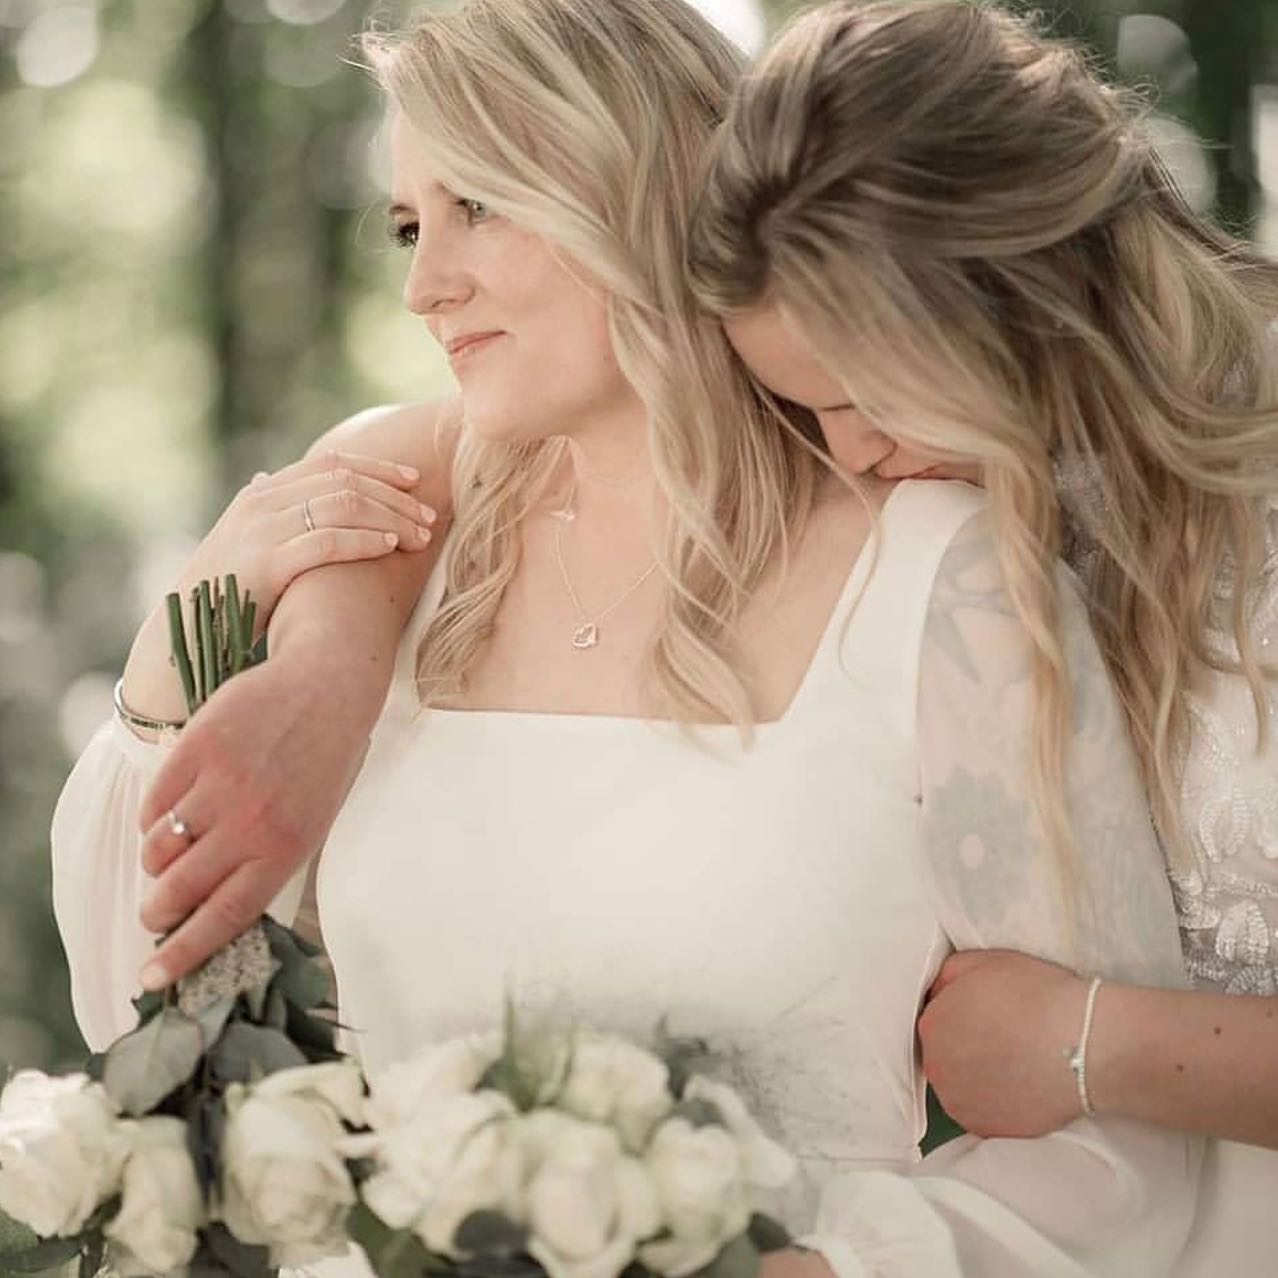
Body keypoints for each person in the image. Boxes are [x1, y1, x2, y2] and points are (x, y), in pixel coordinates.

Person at [51, 1, 1198, 1274]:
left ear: (635, 184)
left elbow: (1113, 1152)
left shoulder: (941, 574)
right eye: (409, 225)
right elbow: (150, 1016)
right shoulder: (396, 536)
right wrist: (186, 638)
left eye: (480, 205)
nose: (426, 285)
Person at [681, 0, 1278, 1269]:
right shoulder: (958, 542)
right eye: (805, 411)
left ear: (1026, 294)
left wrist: (1094, 1042)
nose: (850, 456)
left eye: (870, 396)